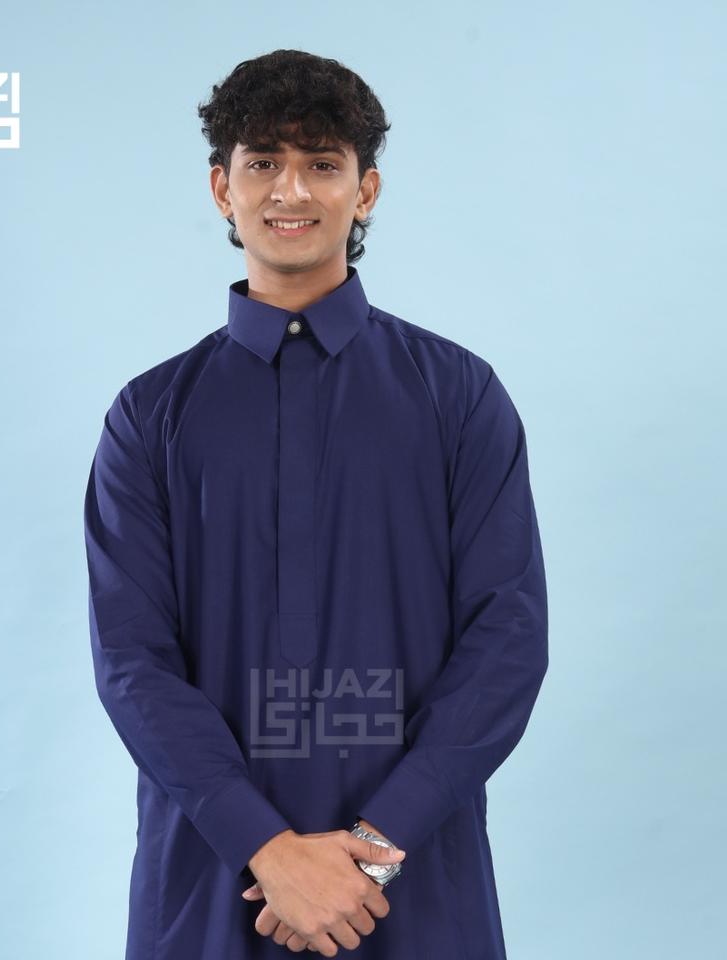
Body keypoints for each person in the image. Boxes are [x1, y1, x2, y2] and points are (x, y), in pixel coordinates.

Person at [84, 48, 549, 959]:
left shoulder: (457, 396)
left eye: (322, 163)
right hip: (216, 875)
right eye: (263, 161)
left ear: (364, 190)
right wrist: (266, 847)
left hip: (413, 873)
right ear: (222, 188)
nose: (289, 189)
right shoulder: (151, 416)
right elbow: (132, 661)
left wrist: (374, 847)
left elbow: (507, 637)